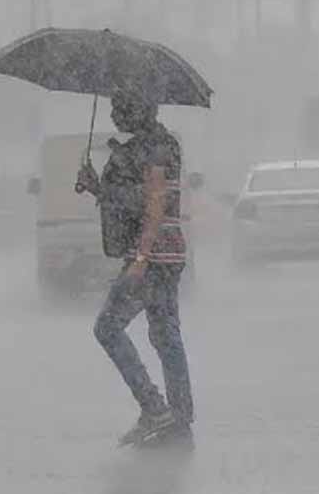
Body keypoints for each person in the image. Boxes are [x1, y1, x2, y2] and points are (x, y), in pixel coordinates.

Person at [76, 90, 193, 447]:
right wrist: (98, 187)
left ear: (136, 109)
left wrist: (141, 258)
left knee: (108, 327)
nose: (114, 115)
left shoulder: (155, 146)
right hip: (167, 254)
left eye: (120, 107)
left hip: (153, 255)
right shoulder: (155, 144)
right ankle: (179, 416)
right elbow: (133, 199)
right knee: (165, 334)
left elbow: (155, 202)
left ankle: (154, 407)